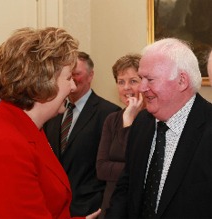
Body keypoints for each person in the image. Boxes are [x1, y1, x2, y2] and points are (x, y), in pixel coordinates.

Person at [0, 27, 101, 219]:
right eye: (68, 78)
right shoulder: (6, 145)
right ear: (43, 82)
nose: (73, 86)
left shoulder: (24, 125)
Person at [105, 38, 212, 218]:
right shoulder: (141, 123)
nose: (141, 87)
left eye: (150, 79)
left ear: (182, 81)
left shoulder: (208, 126)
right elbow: (126, 187)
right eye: (141, 78)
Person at [43, 51, 121, 217]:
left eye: (77, 74)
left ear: (91, 75)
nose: (72, 80)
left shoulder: (109, 113)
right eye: (68, 75)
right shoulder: (52, 111)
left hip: (91, 208)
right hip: (54, 208)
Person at [96, 54, 144, 219]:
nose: (126, 88)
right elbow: (101, 169)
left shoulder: (154, 119)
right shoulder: (112, 119)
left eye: (133, 81)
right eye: (121, 82)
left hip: (139, 207)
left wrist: (129, 121)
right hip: (112, 206)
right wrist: (136, 170)